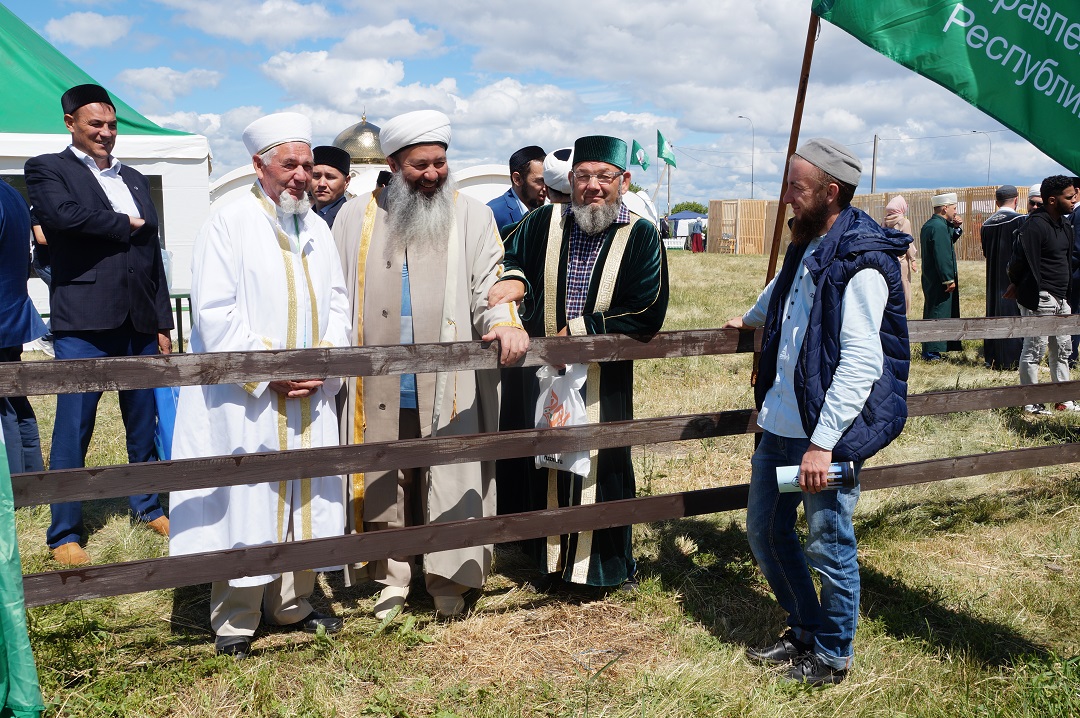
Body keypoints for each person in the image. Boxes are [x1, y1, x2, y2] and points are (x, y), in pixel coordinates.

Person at [723, 138, 910, 686]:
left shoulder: (862, 260)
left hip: (824, 435)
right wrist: (749, 319)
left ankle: (832, 655)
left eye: (796, 187)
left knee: (828, 542)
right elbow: (784, 292)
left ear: (831, 192)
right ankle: (804, 626)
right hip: (782, 424)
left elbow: (861, 362)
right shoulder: (809, 242)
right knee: (765, 531)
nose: (787, 197)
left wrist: (823, 444)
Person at [332, 110, 529, 619]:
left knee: (449, 475)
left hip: (449, 379)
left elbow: (490, 286)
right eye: (420, 165)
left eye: (440, 162)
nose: (433, 174)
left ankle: (449, 580)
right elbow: (335, 295)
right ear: (393, 165)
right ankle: (392, 576)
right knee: (387, 475)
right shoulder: (355, 217)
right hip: (377, 379)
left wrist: (505, 321)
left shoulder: (472, 215)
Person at [168, 112, 352, 658]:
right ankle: (236, 618)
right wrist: (269, 370)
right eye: (289, 164)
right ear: (258, 164)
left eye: (307, 165)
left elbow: (337, 304)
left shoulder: (317, 227)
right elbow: (214, 313)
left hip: (310, 392)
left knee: (306, 493)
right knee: (248, 498)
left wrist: (325, 363)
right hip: (247, 398)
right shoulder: (228, 222)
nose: (301, 176)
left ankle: (292, 603)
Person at [488, 135, 669, 590]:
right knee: (546, 458)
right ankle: (549, 563)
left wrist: (581, 330)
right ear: (570, 180)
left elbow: (648, 308)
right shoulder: (542, 221)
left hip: (603, 377)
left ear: (624, 181)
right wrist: (515, 280)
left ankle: (603, 569)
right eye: (584, 176)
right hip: (543, 374)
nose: (593, 186)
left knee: (602, 463)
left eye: (604, 176)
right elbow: (510, 258)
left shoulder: (641, 235)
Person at [24, 83, 173, 566]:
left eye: (111, 125)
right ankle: (64, 531)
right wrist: (124, 223)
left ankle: (147, 505)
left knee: (142, 421)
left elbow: (152, 256)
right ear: (70, 123)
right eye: (96, 124)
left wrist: (163, 322)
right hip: (84, 322)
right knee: (75, 425)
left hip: (139, 320)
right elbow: (61, 217)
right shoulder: (48, 168)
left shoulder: (134, 177)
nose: (106, 133)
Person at [1006, 175, 1078, 414]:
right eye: (1069, 197)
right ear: (1052, 200)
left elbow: (1066, 260)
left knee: (1063, 349)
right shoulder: (1034, 226)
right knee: (1035, 349)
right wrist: (1016, 283)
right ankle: (1031, 402)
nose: (1074, 200)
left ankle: (1063, 400)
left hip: (1062, 298)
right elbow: (1018, 261)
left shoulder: (1065, 225)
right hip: (1041, 297)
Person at [0, 179, 47, 475]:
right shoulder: (11, 193)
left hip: (6, 317)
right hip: (11, 315)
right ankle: (29, 476)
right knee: (15, 404)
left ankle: (15, 484)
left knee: (7, 409)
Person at [980, 184, 1024, 370]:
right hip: (1012, 279)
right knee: (1012, 314)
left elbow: (985, 253)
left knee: (993, 312)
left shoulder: (986, 224)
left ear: (996, 202)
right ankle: (1012, 360)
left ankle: (993, 357)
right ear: (1016, 200)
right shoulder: (1020, 220)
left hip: (993, 278)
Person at [919, 192, 962, 361]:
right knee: (937, 312)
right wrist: (948, 278)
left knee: (936, 309)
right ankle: (932, 351)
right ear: (945, 208)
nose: (955, 211)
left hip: (932, 276)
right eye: (954, 208)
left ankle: (934, 349)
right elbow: (942, 254)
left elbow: (947, 240)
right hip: (939, 279)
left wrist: (955, 227)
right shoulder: (938, 227)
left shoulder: (934, 224)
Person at [487, 145, 546, 230]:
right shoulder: (492, 214)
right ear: (517, 179)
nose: (546, 188)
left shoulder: (542, 213)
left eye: (548, 181)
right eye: (540, 181)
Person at [882, 195, 917, 313]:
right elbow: (908, 242)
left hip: (888, 259)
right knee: (904, 285)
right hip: (902, 260)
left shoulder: (884, 221)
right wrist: (913, 259)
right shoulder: (904, 222)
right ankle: (905, 312)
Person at [311, 145, 352, 228]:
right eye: (316, 176)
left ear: (346, 181)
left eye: (330, 177)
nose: (322, 184)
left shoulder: (350, 218)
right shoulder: (303, 218)